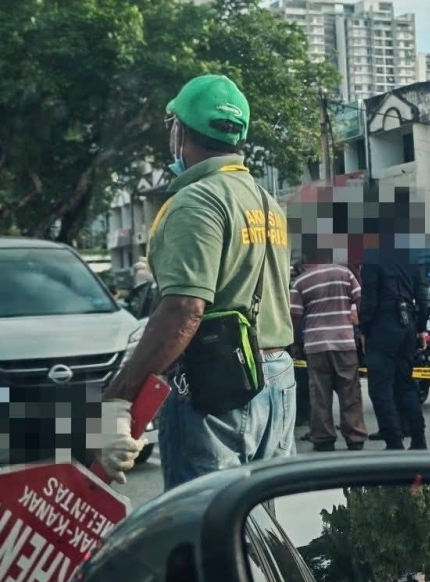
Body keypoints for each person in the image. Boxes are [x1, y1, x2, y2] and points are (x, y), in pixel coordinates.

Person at [98, 74, 295, 490]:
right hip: (276, 380)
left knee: (204, 527)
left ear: (180, 131)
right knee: (260, 526)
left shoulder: (197, 200)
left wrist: (121, 392)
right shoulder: (264, 201)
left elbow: (184, 309)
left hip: (218, 385)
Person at [359, 188, 429, 451]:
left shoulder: (373, 254)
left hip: (383, 325)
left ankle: (394, 441)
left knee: (380, 388)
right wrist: (421, 327)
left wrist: (363, 329)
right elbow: (424, 294)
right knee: (407, 383)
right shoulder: (411, 255)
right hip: (408, 323)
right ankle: (419, 438)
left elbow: (369, 299)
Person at [290, 245, 368, 452]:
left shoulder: (301, 282)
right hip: (344, 342)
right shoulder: (345, 273)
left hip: (315, 346)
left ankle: (323, 438)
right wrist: (361, 328)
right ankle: (355, 437)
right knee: (350, 391)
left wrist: (296, 343)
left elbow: (295, 316)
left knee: (320, 395)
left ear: (308, 256)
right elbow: (361, 301)